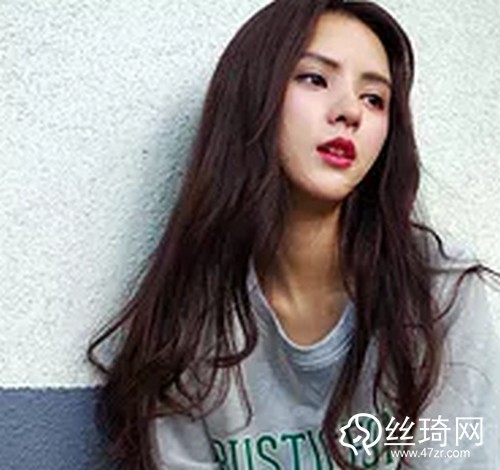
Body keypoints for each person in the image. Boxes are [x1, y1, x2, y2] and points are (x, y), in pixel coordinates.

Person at [88, 0, 500, 468]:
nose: (350, 111)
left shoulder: (440, 292)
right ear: (254, 94)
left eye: (374, 98)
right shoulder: (188, 318)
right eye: (315, 79)